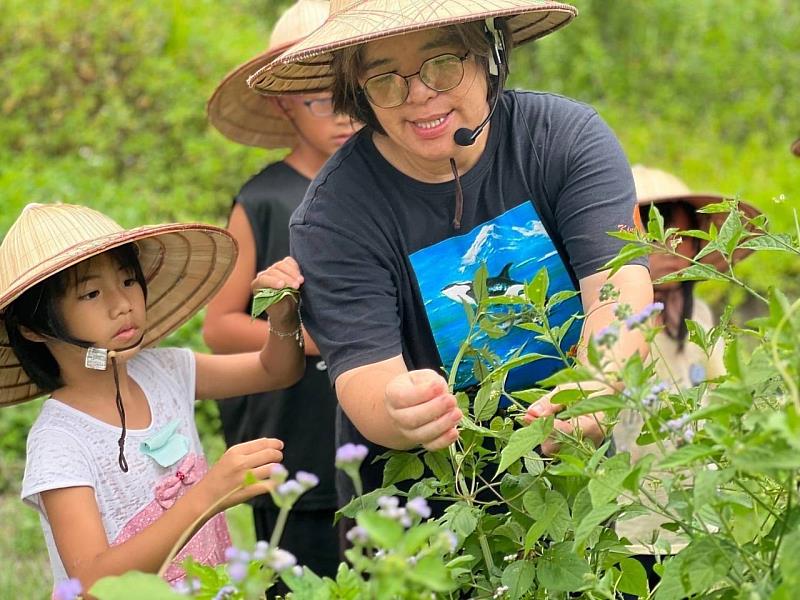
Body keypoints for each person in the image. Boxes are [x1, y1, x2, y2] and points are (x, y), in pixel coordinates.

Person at [247, 0, 654, 501]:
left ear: (489, 53)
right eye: (386, 81)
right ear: (360, 95)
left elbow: (618, 288)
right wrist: (399, 409)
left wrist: (599, 381)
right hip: (426, 522)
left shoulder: (565, 141)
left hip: (575, 488)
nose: (419, 94)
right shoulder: (334, 216)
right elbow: (366, 379)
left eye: (442, 64)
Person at [0, 203, 306, 594]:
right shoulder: (60, 441)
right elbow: (93, 583)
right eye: (91, 293)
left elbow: (276, 370)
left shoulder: (163, 371)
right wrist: (210, 494)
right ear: (34, 329)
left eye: (128, 281)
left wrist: (281, 318)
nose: (122, 304)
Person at [204, 0, 358, 580]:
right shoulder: (265, 200)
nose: (343, 115)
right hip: (298, 430)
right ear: (283, 103)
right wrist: (321, 336)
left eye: (352, 94)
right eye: (321, 99)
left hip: (385, 431)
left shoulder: (391, 187)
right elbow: (220, 326)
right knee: (302, 568)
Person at [613, 165, 761, 595]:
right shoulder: (614, 321)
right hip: (628, 511)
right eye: (653, 236)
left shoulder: (697, 316)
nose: (668, 250)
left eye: (677, 237)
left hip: (693, 505)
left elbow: (723, 392)